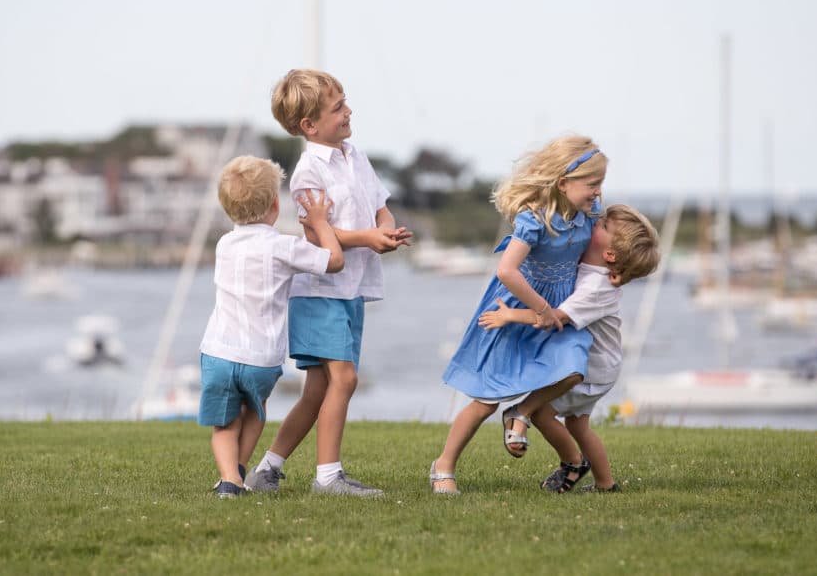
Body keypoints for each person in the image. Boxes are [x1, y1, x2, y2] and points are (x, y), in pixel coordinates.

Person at [245, 69, 412, 497]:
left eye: (345, 102)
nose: (348, 111)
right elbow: (319, 237)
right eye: (337, 107)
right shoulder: (306, 175)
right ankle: (328, 478)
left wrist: (385, 230)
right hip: (320, 292)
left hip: (350, 290)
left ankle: (268, 468)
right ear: (309, 125)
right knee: (345, 379)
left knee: (318, 388)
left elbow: (380, 206)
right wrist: (369, 240)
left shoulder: (355, 156)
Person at [429, 135, 607, 495]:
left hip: (560, 311)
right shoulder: (534, 220)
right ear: (563, 183)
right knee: (486, 399)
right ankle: (443, 465)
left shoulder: (590, 217)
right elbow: (507, 271)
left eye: (600, 184)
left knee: (573, 369)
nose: (598, 192)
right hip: (514, 308)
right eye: (592, 184)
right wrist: (539, 310)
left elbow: (608, 251)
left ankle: (521, 414)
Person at [478, 204, 660, 493]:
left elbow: (555, 318)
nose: (593, 223)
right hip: (599, 364)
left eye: (602, 226)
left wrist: (510, 315)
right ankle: (605, 484)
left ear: (610, 254)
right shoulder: (589, 266)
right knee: (578, 425)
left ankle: (562, 453)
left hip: (591, 369)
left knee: (541, 414)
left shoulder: (597, 287)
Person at [198, 155, 344, 499]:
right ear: (276, 205)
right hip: (261, 358)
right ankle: (239, 472)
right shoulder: (282, 247)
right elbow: (334, 261)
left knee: (224, 425)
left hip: (218, 352)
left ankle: (229, 479)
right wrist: (322, 223)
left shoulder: (224, 245)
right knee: (254, 414)